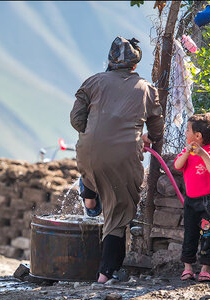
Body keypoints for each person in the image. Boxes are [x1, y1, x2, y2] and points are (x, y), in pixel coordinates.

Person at [70, 36, 165, 284]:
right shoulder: (146, 89)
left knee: (93, 175)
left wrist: (95, 133)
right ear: (134, 65)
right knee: (119, 215)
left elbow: (76, 120)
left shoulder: (92, 82)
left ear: (110, 61)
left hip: (88, 153)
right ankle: (105, 274)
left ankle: (90, 200)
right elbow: (157, 130)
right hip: (123, 158)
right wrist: (146, 138)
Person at [173, 113, 210, 282]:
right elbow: (177, 165)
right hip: (190, 202)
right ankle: (188, 268)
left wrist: (202, 154)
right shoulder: (186, 152)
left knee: (208, 235)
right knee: (190, 235)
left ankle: (205, 269)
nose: (185, 133)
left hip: (207, 202)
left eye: (187, 130)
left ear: (198, 136)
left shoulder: (209, 153)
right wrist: (187, 153)